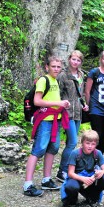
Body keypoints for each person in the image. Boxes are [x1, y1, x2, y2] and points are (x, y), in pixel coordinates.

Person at [23, 56, 70, 196]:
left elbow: (51, 99)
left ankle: (46, 179)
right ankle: (28, 184)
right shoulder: (44, 80)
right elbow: (37, 101)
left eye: (58, 66)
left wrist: (61, 103)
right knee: (39, 149)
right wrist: (59, 103)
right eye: (53, 66)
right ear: (47, 67)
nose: (56, 69)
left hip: (56, 119)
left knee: (52, 149)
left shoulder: (54, 81)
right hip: (45, 120)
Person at [56, 50, 86, 182]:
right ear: (69, 59)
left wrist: (84, 104)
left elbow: (82, 93)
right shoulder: (63, 75)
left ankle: (69, 169)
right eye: (73, 59)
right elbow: (58, 93)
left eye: (78, 60)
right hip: (67, 112)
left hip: (78, 112)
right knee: (73, 142)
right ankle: (62, 170)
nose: (75, 62)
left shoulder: (81, 75)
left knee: (70, 142)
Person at [60, 130, 104, 207]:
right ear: (82, 143)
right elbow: (70, 173)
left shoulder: (97, 153)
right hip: (77, 178)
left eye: (93, 144)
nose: (90, 146)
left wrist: (101, 172)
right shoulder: (75, 153)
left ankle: (93, 196)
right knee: (71, 186)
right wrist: (83, 179)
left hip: (91, 178)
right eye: (87, 143)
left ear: (96, 145)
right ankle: (72, 199)